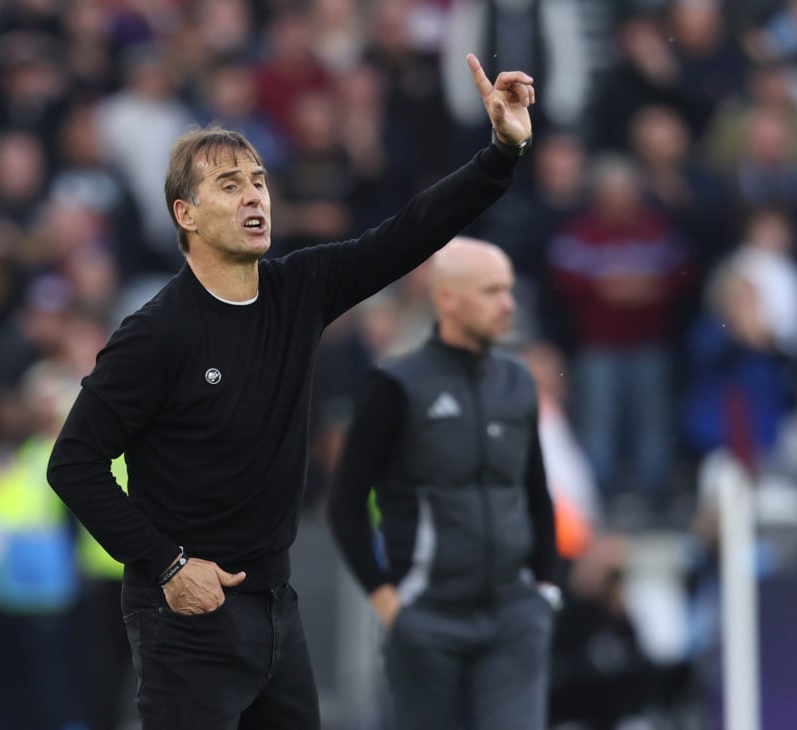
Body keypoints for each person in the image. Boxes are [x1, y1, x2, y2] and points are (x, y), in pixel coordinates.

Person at [47, 54, 535, 730]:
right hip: (186, 611)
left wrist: (501, 152)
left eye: (259, 181)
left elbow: (410, 232)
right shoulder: (155, 334)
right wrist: (166, 564)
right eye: (229, 185)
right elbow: (73, 463)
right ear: (185, 214)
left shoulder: (298, 289)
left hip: (276, 604)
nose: (254, 196)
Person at [327, 238, 560, 730]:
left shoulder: (518, 382)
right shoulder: (395, 386)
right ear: (448, 299)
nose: (509, 305)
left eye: (510, 290)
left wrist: (545, 589)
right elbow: (345, 504)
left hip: (514, 616)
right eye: (493, 291)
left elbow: (537, 495)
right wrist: (388, 602)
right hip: (427, 619)